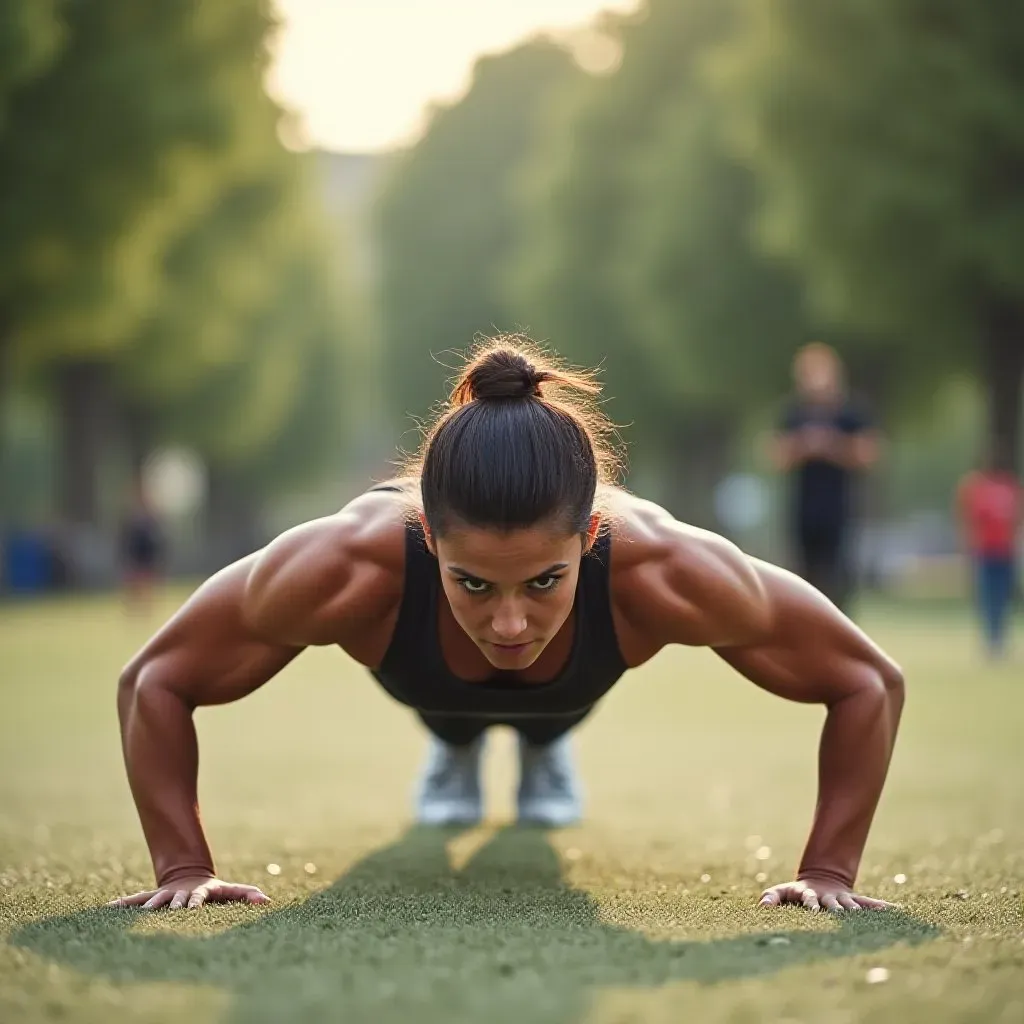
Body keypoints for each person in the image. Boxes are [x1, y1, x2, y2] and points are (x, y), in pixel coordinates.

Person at [111, 338, 903, 915]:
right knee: (454, 724)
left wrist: (828, 872)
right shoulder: (349, 563)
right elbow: (156, 677)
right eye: (473, 583)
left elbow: (868, 681)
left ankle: (541, 750)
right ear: (427, 538)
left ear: (590, 538)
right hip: (427, 687)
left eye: (546, 580)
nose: (512, 620)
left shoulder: (661, 566)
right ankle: (455, 753)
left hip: (571, 693)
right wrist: (184, 866)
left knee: (543, 715)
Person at [772, 343, 880, 613]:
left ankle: (841, 628)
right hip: (803, 510)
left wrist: (831, 447)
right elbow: (777, 456)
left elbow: (869, 454)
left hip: (839, 508)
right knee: (803, 577)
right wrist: (804, 447)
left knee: (839, 576)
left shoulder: (851, 413)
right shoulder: (793, 414)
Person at [955, 448, 1021, 658]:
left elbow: (1016, 519)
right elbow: (966, 517)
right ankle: (990, 640)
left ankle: (1000, 638)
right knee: (987, 597)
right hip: (984, 551)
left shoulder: (1010, 486)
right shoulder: (975, 486)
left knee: (1002, 597)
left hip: (1005, 551)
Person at [118, 479, 165, 615]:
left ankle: (145, 608)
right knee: (133, 582)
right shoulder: (131, 519)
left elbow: (157, 539)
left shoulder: (151, 520)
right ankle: (133, 608)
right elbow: (126, 539)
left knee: (146, 582)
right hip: (135, 554)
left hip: (146, 554)